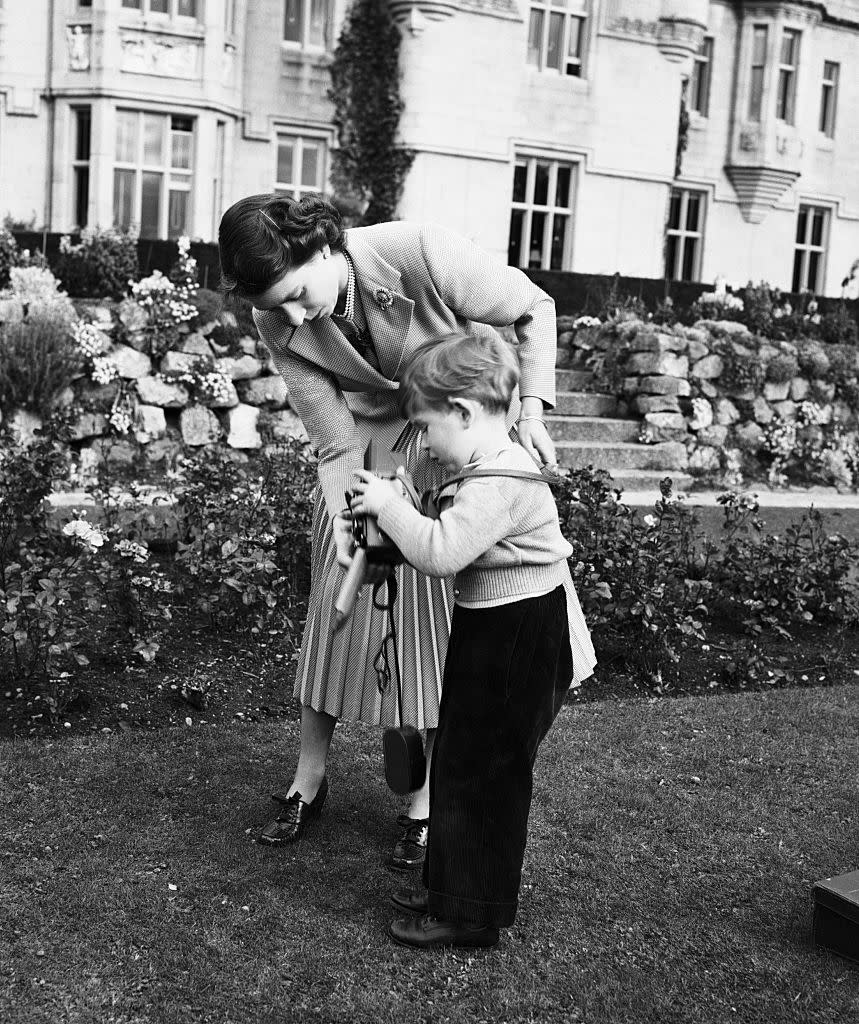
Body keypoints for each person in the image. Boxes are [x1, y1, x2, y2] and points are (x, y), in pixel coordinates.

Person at [217, 193, 559, 867]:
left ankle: (422, 803)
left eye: (295, 293)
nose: (289, 315)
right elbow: (333, 437)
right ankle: (307, 782)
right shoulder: (274, 315)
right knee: (332, 617)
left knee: (429, 632)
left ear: (321, 247)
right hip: (365, 461)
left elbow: (530, 307)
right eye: (273, 306)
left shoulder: (418, 250)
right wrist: (348, 517)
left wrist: (530, 409)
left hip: (447, 449)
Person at [348, 332, 596, 949]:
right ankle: (449, 886)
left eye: (428, 427)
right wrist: (401, 506)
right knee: (460, 758)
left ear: (463, 412)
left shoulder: (503, 479)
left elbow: (442, 549)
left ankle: (473, 912)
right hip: (494, 627)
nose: (426, 442)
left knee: (488, 771)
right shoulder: (481, 468)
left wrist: (388, 503)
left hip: (522, 637)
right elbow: (438, 527)